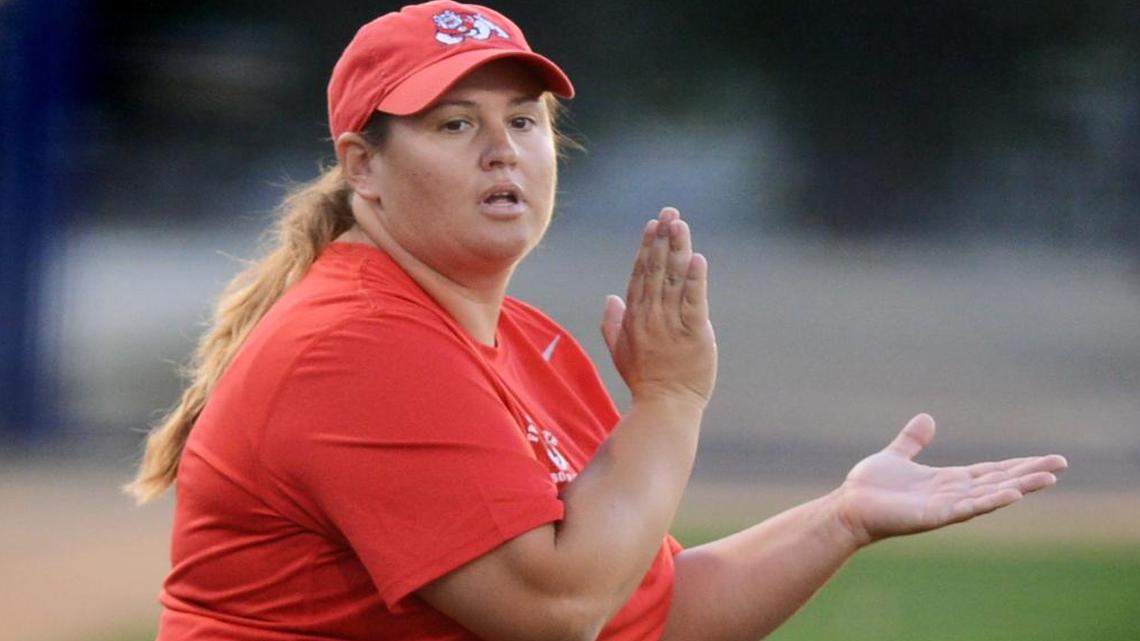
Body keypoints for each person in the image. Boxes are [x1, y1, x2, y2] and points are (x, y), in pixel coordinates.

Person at [126, 2, 1069, 640]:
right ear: (362, 167)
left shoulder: (528, 341)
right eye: (455, 124)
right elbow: (561, 605)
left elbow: (646, 608)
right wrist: (668, 400)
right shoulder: (352, 345)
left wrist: (844, 517)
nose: (505, 149)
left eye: (526, 122)